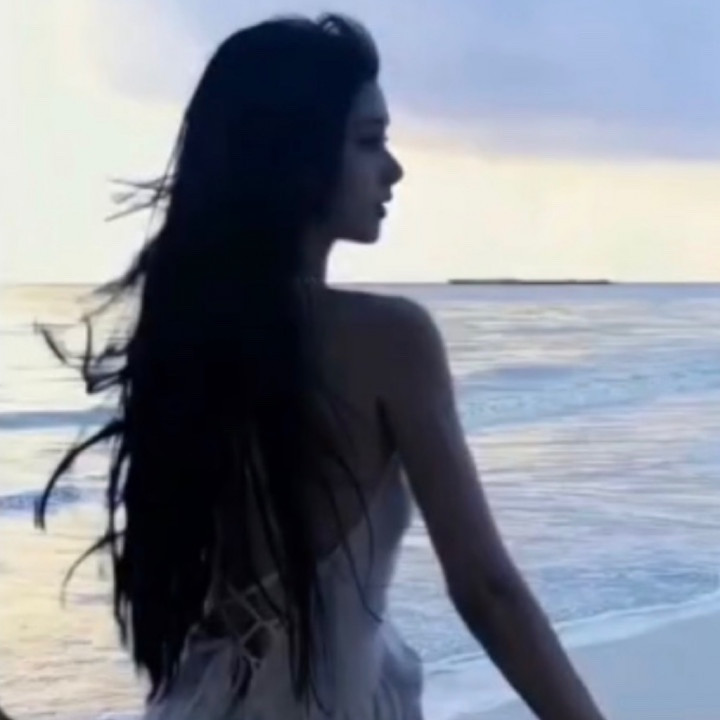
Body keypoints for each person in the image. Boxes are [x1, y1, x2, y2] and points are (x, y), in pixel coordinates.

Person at [37, 13, 607, 720]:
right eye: (369, 141)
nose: (392, 169)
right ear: (295, 155)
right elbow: (487, 590)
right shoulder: (391, 341)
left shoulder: (184, 340)